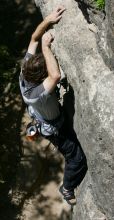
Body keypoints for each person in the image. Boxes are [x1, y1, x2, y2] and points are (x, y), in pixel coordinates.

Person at [19, 6, 88, 205]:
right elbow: (55, 76)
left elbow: (33, 37)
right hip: (55, 128)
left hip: (44, 116)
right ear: (40, 78)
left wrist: (48, 19)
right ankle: (66, 188)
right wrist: (46, 48)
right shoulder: (35, 94)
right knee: (77, 160)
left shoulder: (25, 69)